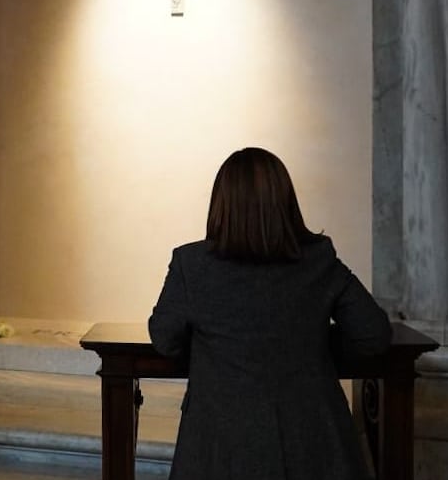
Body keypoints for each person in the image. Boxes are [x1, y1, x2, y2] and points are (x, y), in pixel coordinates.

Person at [149, 147, 391, 480]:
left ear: (221, 205)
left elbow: (165, 339)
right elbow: (373, 333)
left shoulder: (192, 266)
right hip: (313, 443)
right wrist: (312, 342)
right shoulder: (318, 260)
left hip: (220, 446)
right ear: (285, 203)